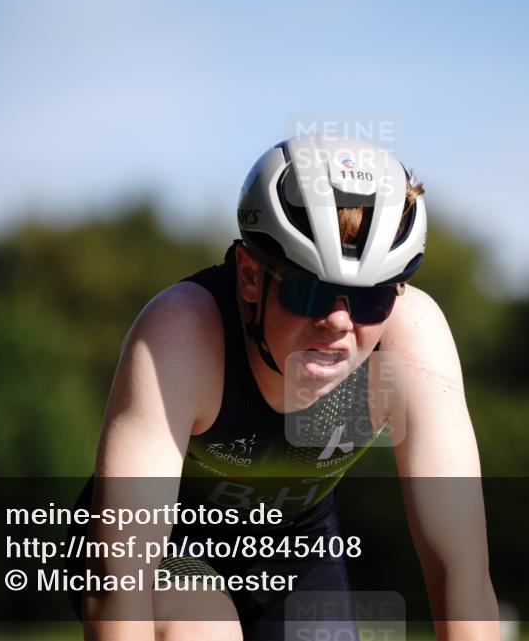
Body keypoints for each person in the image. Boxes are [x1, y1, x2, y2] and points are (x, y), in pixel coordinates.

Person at [70, 136, 499, 640]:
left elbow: (460, 574)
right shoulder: (182, 333)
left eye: (371, 299)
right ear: (250, 276)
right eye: (309, 290)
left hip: (296, 550)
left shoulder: (413, 338)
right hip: (162, 554)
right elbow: (118, 588)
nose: (339, 322)